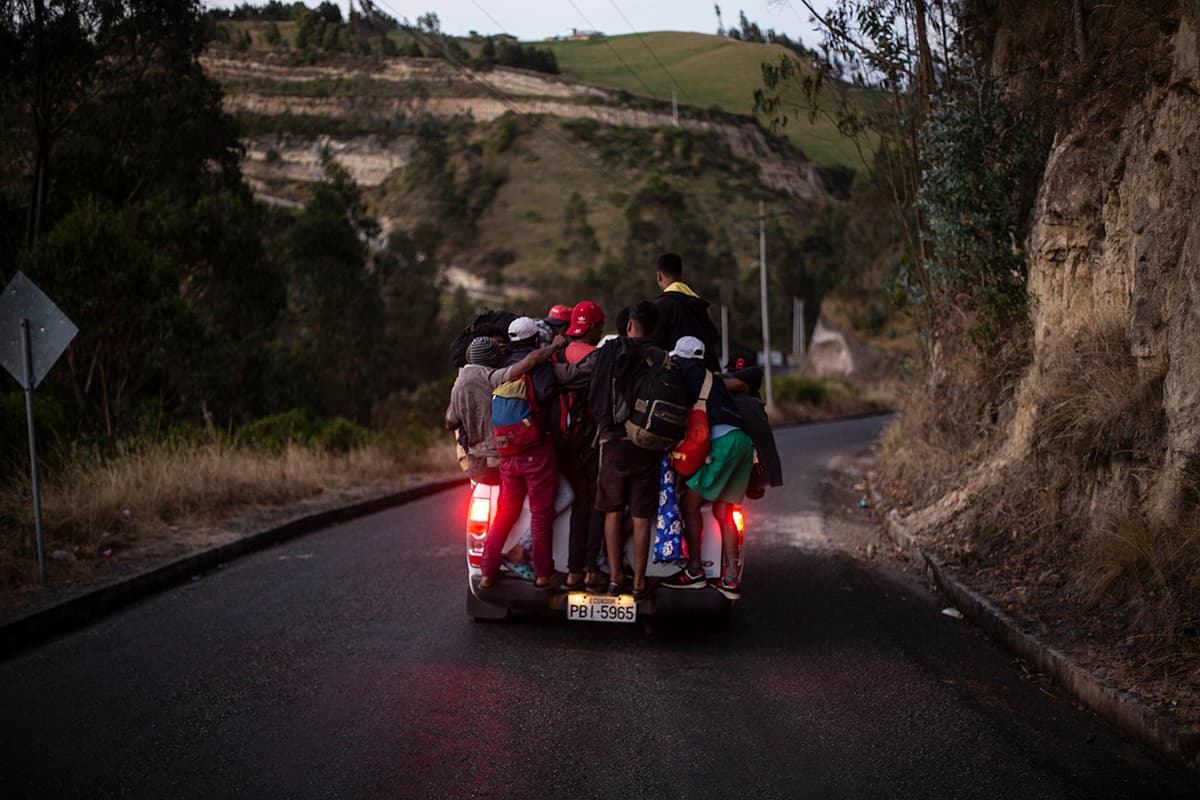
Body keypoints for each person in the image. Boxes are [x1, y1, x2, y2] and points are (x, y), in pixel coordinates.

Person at [660, 335, 755, 600]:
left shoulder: (683, 370)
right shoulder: (710, 376)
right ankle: (731, 580)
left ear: (681, 356)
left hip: (722, 443)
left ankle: (694, 570)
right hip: (744, 442)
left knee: (690, 502)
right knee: (724, 510)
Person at [478, 317, 563, 591]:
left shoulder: (502, 366)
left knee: (504, 513)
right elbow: (549, 398)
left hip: (507, 452)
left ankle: (488, 571)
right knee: (540, 513)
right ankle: (543, 573)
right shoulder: (540, 366)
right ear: (536, 340)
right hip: (536, 451)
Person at [588, 301, 665, 599]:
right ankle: (640, 581)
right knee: (642, 516)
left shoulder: (607, 353)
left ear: (630, 325)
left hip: (612, 445)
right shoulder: (661, 358)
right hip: (646, 445)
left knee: (611, 510)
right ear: (654, 329)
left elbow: (594, 397)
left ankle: (616, 577)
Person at [445, 334, 563, 485]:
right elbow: (530, 361)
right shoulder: (492, 377)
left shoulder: (458, 383)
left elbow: (450, 422)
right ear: (493, 358)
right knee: (564, 494)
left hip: (476, 466)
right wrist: (555, 346)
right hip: (501, 462)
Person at [553, 301, 607, 590]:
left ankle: (573, 570)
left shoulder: (556, 355)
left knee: (578, 505)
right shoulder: (599, 359)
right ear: (595, 327)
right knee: (594, 504)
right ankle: (591, 569)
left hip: (561, 444)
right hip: (589, 444)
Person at [652, 252, 721, 372]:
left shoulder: (661, 306)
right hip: (705, 377)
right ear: (682, 276)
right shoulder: (699, 306)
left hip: (676, 379)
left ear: (659, 276)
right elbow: (713, 337)